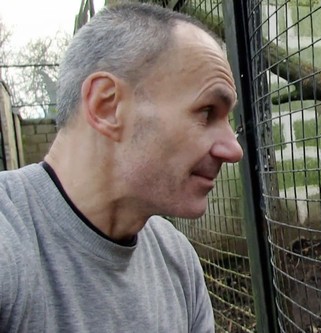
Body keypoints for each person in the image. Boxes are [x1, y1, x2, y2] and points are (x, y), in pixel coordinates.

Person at [0, 3, 243, 332]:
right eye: (207, 112)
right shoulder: (10, 240)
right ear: (106, 106)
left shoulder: (177, 259)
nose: (234, 149)